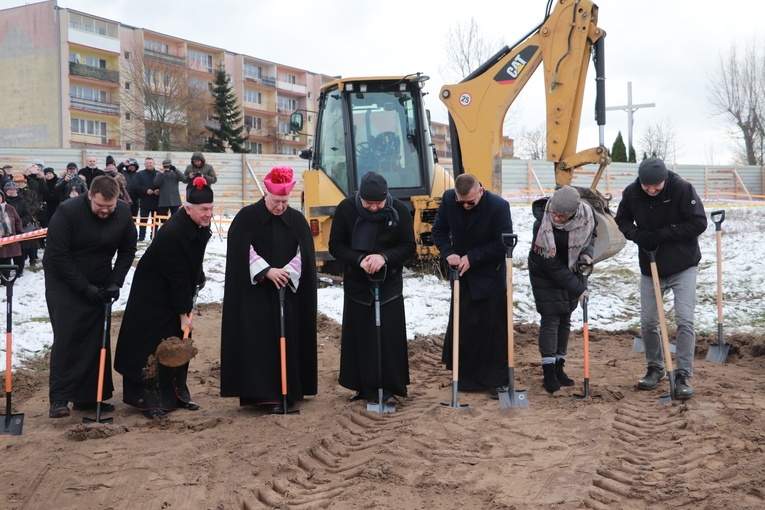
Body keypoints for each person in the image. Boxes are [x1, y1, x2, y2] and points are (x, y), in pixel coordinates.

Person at [114, 177, 214, 419]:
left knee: (178, 340)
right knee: (152, 343)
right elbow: (176, 277)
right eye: (203, 210)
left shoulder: (200, 226)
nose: (208, 214)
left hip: (177, 288)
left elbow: (193, 259)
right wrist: (184, 315)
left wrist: (198, 276)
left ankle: (177, 394)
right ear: (187, 208)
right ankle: (148, 400)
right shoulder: (173, 233)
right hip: (153, 295)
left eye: (211, 209)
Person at [220, 166, 317, 412]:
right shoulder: (247, 217)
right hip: (256, 294)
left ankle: (288, 391)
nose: (280, 207)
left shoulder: (297, 220)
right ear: (266, 193)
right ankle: (261, 393)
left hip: (288, 291)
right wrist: (266, 271)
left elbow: (304, 253)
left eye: (284, 202)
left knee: (288, 337)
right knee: (258, 339)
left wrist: (287, 273)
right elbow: (241, 250)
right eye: (276, 201)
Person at [43, 176, 137, 418]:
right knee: (68, 335)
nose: (105, 211)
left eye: (110, 207)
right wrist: (85, 288)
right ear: (89, 196)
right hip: (63, 282)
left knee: (96, 338)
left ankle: (88, 397)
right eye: (100, 206)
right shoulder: (67, 212)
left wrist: (115, 282)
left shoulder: (124, 213)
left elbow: (128, 250)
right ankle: (60, 398)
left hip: (100, 279)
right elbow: (58, 256)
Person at [615, 157, 707, 399]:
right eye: (648, 187)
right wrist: (637, 235)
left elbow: (698, 222)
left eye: (656, 186)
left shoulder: (682, 189)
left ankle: (683, 374)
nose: (652, 190)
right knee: (648, 322)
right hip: (650, 265)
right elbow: (621, 219)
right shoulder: (632, 193)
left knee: (685, 320)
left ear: (664, 179)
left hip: (683, 265)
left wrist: (665, 235)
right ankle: (655, 368)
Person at [328, 172, 415, 404]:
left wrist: (384, 257)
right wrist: (359, 259)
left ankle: (389, 387)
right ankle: (363, 386)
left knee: (388, 336)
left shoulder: (400, 211)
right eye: (369, 204)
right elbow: (336, 246)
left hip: (389, 284)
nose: (374, 208)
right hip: (357, 284)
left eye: (379, 204)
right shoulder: (346, 209)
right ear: (360, 197)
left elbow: (408, 248)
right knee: (361, 336)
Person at [431, 173, 513, 398]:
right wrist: (449, 253)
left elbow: (502, 244)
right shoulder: (449, 199)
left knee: (492, 329)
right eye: (462, 202)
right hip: (462, 276)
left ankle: (497, 381)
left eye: (471, 202)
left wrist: (473, 257)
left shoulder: (499, 207)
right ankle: (465, 378)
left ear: (480, 191)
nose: (466, 206)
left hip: (490, 274)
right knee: (465, 326)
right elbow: (438, 232)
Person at [528, 185, 596, 393]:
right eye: (555, 213)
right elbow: (551, 265)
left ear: (574, 213)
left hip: (572, 269)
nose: (556, 218)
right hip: (545, 272)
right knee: (551, 318)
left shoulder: (586, 216)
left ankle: (559, 367)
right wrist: (578, 289)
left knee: (565, 316)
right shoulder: (542, 223)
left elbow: (592, 235)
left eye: (562, 216)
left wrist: (586, 254)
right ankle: (548, 372)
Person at [3, 179, 32, 276]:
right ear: (6, 191)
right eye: (10, 189)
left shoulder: (22, 202)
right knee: (5, 253)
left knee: (20, 251)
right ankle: (5, 271)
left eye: (14, 189)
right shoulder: (3, 202)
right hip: (4, 231)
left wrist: (18, 224)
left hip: (19, 229)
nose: (12, 191)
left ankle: (19, 270)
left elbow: (28, 215)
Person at [0, 189, 23, 282]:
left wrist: (19, 232)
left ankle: (5, 280)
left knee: (6, 259)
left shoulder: (9, 208)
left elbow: (18, 220)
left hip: (9, 239)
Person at [134, 157, 160, 241]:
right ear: (145, 164)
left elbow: (163, 185)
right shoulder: (139, 174)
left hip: (156, 200)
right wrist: (145, 190)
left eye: (150, 163)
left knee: (155, 220)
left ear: (154, 164)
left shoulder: (158, 173)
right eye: (147, 163)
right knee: (143, 220)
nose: (149, 164)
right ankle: (141, 237)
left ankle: (154, 236)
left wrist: (158, 190)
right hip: (145, 200)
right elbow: (136, 186)